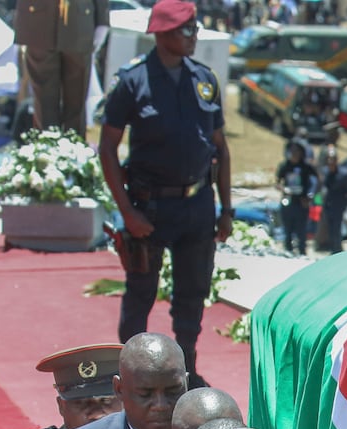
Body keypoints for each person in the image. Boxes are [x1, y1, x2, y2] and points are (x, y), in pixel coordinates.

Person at [98, 0, 233, 386]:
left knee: (191, 298)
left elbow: (220, 148)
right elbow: (107, 148)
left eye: (195, 28)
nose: (194, 36)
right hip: (149, 207)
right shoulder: (132, 81)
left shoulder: (204, 79)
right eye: (186, 29)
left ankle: (184, 373)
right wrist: (126, 211)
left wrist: (226, 210)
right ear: (162, 34)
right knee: (140, 294)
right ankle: (132, 374)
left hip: (198, 205)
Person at [75, 333, 189, 429]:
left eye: (173, 391)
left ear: (186, 383)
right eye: (145, 394)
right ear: (119, 389)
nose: (160, 406)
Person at [14, 0, 107, 137]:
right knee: (44, 101)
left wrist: (102, 22)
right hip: (39, 22)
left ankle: (73, 148)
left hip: (79, 22)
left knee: (77, 98)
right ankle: (46, 149)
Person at [35, 344, 123, 429]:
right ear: (61, 406)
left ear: (125, 401)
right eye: (81, 403)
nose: (96, 414)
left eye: (106, 400)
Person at [316, 145, 347, 253]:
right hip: (328, 206)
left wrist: (345, 205)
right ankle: (332, 248)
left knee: (337, 230)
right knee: (329, 229)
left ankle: (337, 249)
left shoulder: (343, 175)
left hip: (339, 206)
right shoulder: (327, 173)